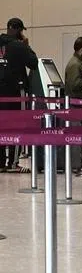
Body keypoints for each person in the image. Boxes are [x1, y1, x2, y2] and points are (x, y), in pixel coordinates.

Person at [0, 18, 38, 170]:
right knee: (15, 125)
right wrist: (26, 45)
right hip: (15, 91)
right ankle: (12, 162)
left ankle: (0, 162)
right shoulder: (19, 45)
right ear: (17, 30)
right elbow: (34, 63)